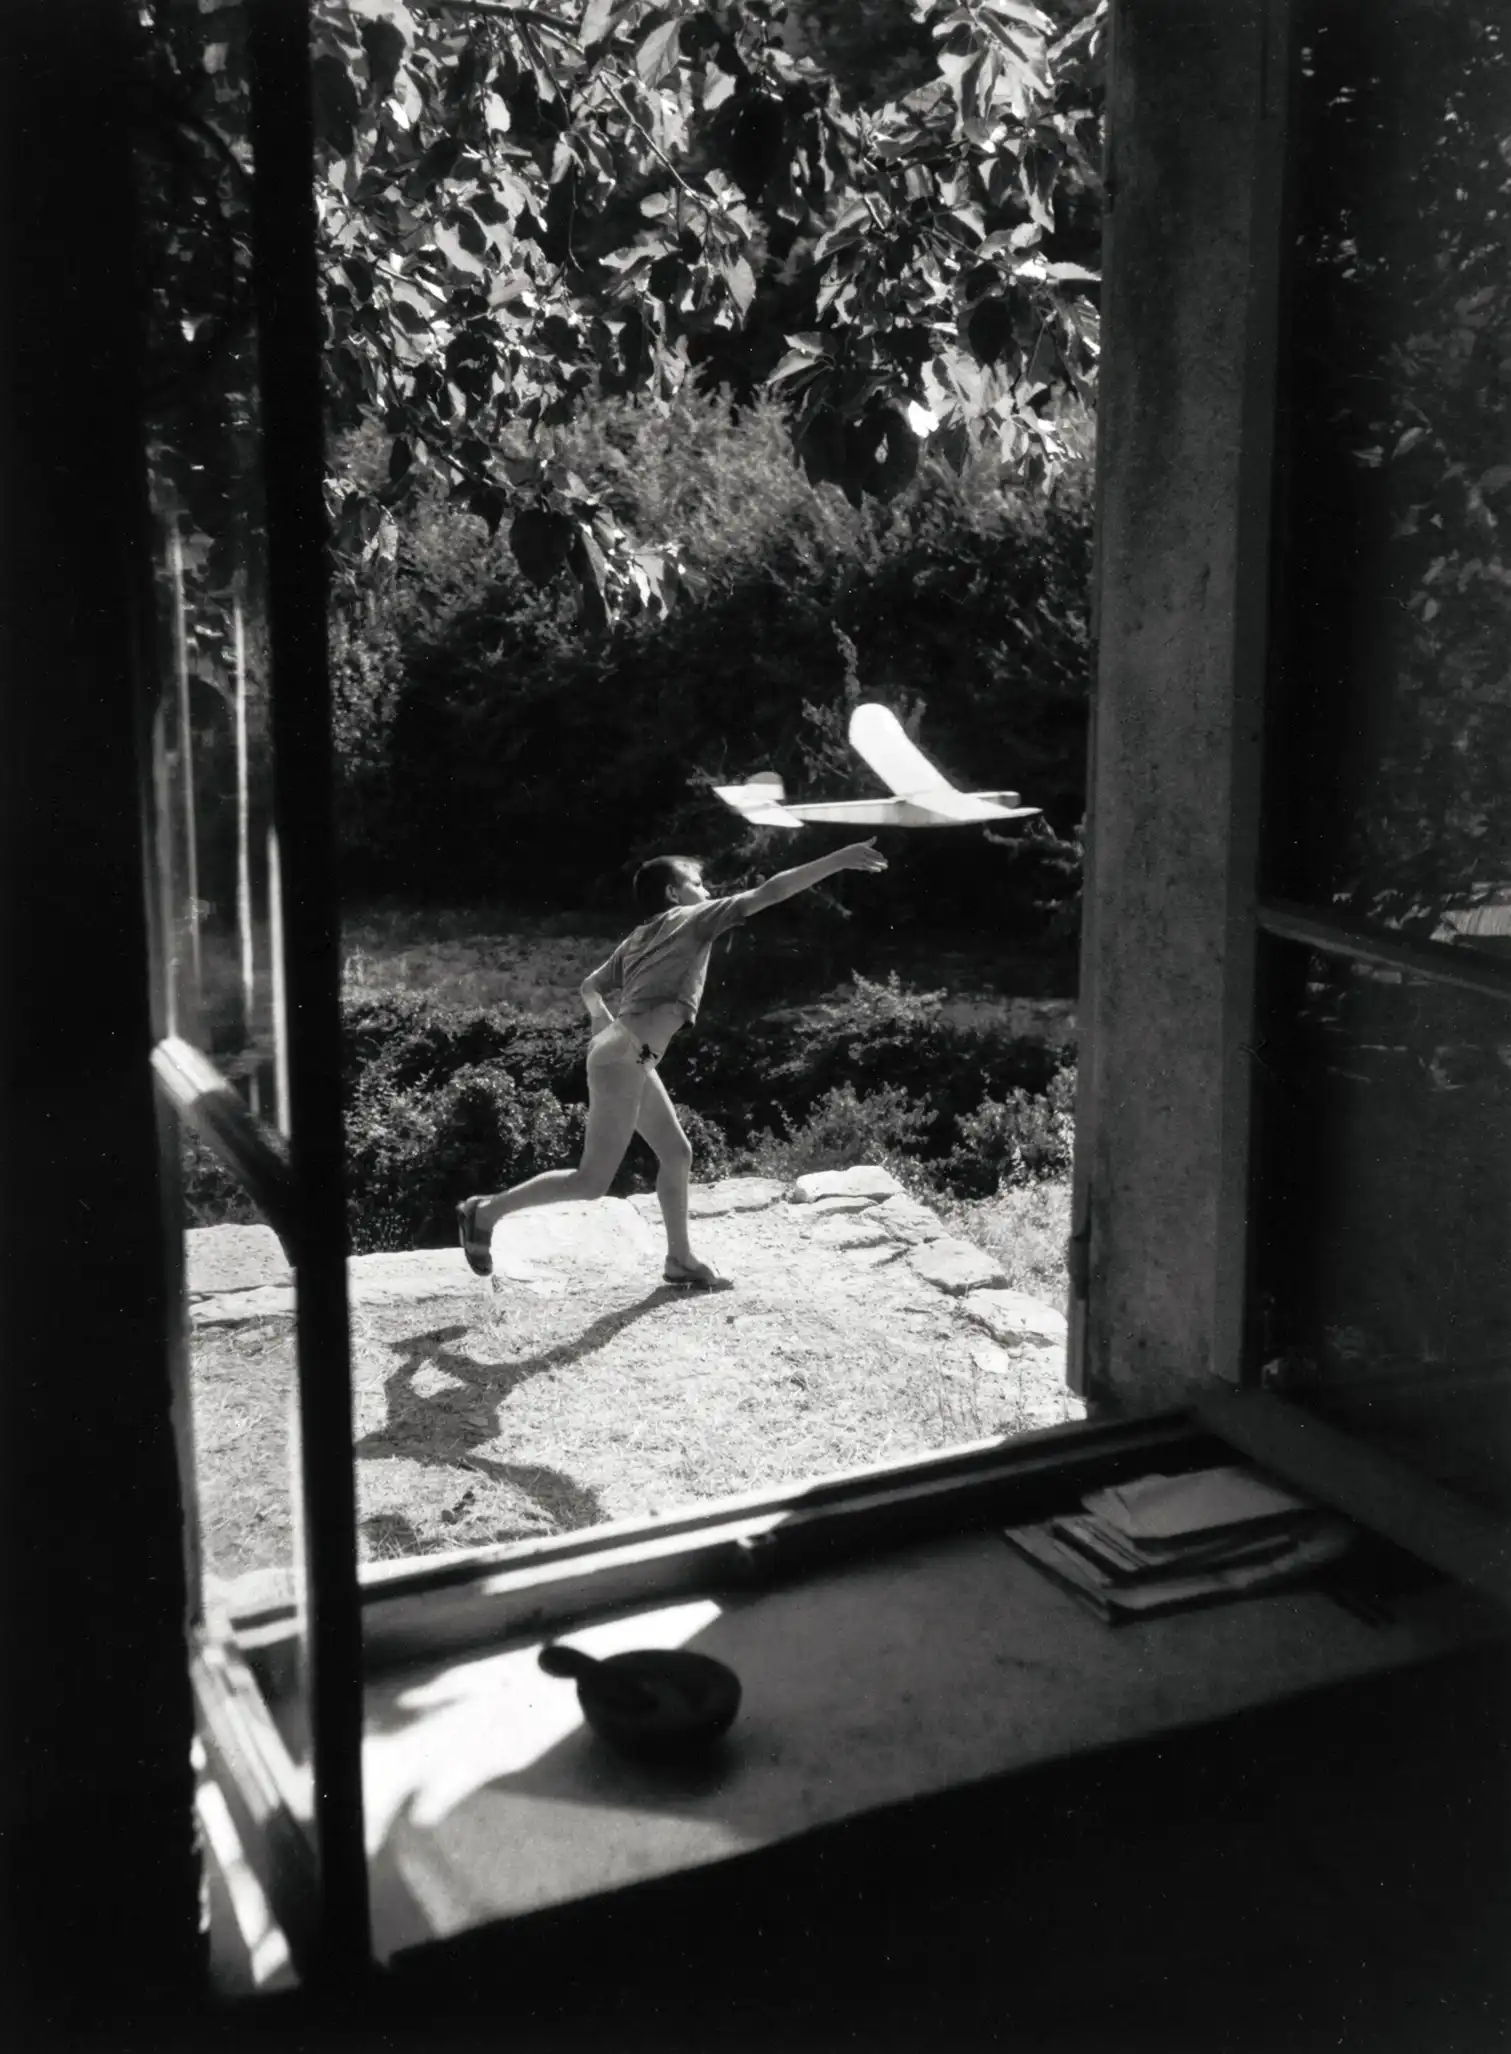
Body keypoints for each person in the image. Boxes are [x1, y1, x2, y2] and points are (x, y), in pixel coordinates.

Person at [457, 839, 888, 1286]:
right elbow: (770, 892)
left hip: (628, 1055)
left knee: (677, 1153)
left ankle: (679, 1259)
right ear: (673, 894)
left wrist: (603, 1028)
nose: (707, 891)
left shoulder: (639, 937)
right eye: (698, 883)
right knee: (590, 1182)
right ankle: (483, 1211)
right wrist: (837, 859)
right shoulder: (694, 918)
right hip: (624, 1058)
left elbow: (589, 985)